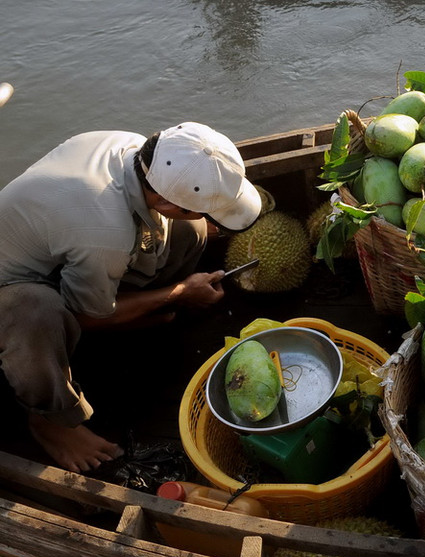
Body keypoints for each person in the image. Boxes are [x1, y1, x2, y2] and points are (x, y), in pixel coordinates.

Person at [0, 122, 262, 472]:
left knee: (192, 229)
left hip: (62, 244)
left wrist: (196, 217)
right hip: (12, 289)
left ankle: (131, 318)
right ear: (168, 201)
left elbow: (136, 219)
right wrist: (179, 293)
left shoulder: (133, 149)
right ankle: (51, 422)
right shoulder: (104, 233)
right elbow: (90, 314)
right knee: (37, 311)